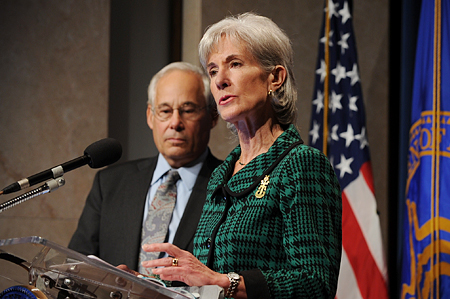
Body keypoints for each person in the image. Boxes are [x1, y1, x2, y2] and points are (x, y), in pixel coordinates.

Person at [130, 13, 342, 299]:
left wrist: (225, 282)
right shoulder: (221, 174)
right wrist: (142, 285)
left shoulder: (300, 164)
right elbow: (205, 281)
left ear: (275, 78)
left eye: (235, 64)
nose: (220, 81)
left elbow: (315, 283)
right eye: (213, 70)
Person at [68, 62, 222, 274]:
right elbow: (77, 265)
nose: (175, 123)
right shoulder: (111, 184)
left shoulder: (229, 184)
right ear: (150, 116)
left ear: (213, 116)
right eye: (165, 111)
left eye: (188, 110)